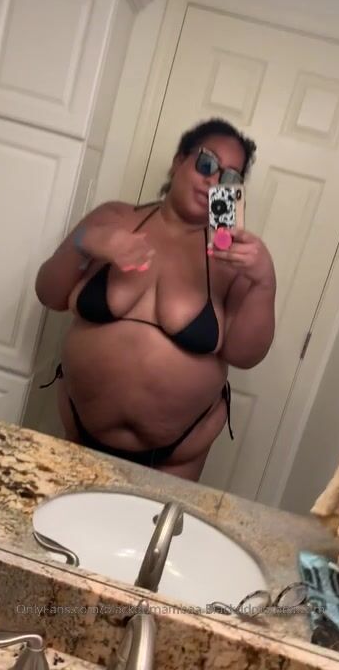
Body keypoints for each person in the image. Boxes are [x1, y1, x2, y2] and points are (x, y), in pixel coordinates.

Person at [35, 118, 276, 481]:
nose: (214, 180)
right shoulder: (115, 218)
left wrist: (264, 282)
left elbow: (245, 355)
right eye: (206, 163)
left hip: (177, 454)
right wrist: (87, 242)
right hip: (80, 433)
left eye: (230, 177)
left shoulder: (232, 256)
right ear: (179, 161)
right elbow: (49, 294)